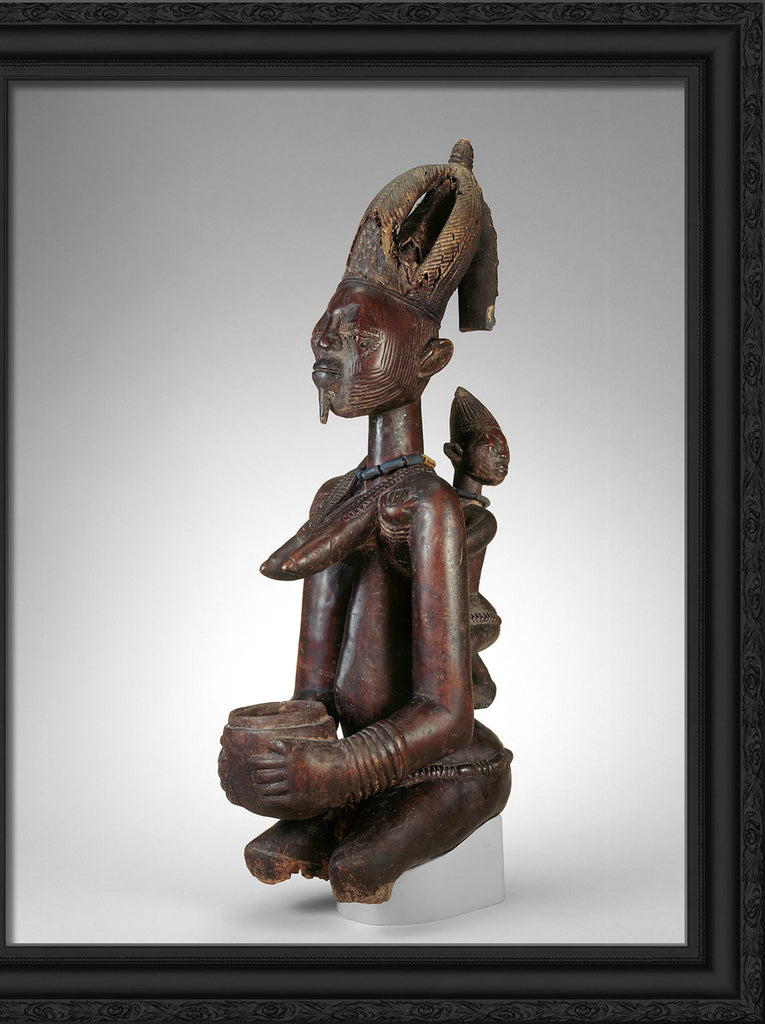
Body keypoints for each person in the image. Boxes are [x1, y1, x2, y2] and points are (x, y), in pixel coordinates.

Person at [220, 140, 512, 904]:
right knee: (295, 826)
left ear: (429, 359)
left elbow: (446, 715)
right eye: (328, 334)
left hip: (446, 763)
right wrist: (290, 752)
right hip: (358, 757)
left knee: (358, 867)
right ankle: (340, 813)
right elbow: (314, 686)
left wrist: (342, 771)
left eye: (362, 339)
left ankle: (364, 819)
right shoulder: (333, 499)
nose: (332, 354)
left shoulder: (430, 508)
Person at [444, 386, 510, 710]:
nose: (502, 456)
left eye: (504, 449)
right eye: (491, 447)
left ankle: (474, 692)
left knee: (469, 675)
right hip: (447, 609)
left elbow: (449, 553)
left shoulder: (482, 519)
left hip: (467, 614)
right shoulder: (446, 506)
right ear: (456, 453)